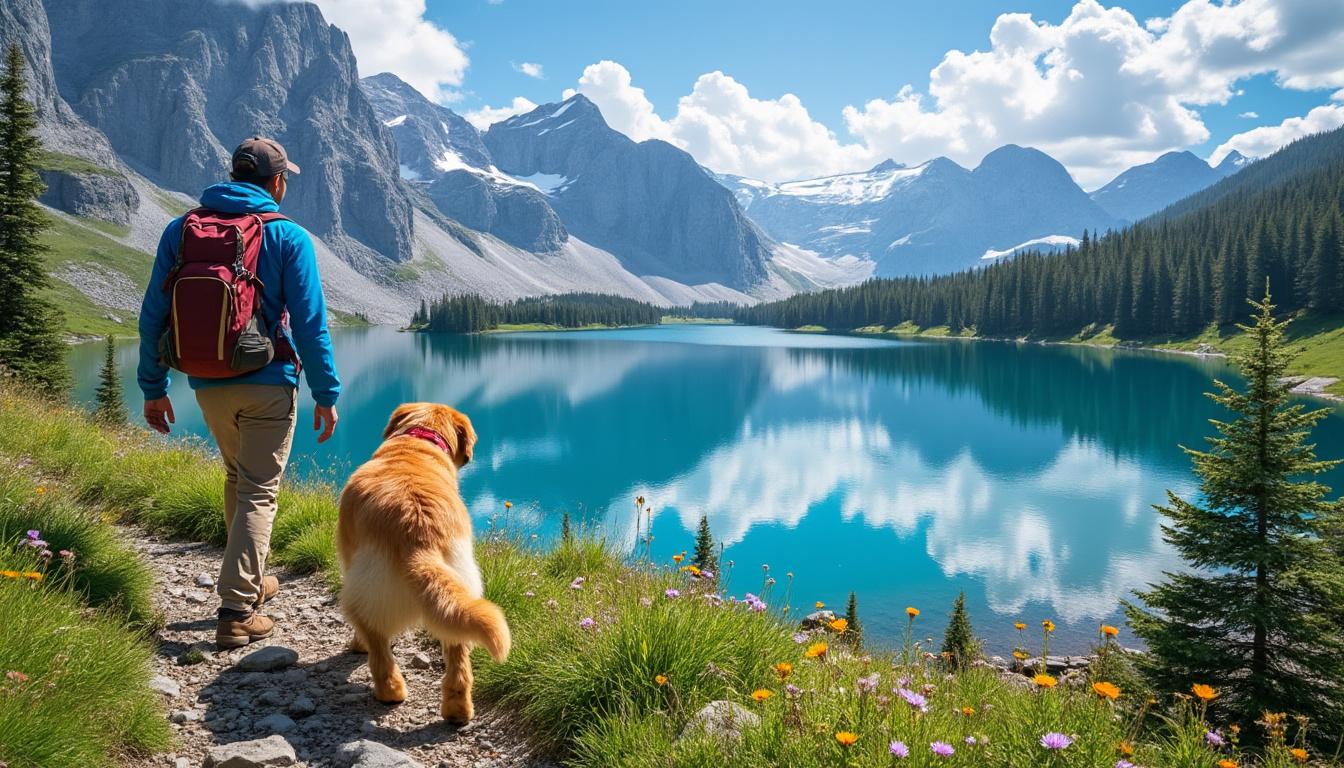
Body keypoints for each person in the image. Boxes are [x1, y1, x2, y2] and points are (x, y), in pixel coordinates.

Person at [137, 137, 341, 649]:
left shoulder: (181, 229)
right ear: (277, 183)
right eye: (284, 179)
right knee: (259, 490)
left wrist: (153, 387)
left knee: (238, 477)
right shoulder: (287, 235)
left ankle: (250, 579)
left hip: (207, 383)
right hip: (268, 383)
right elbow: (311, 324)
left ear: (234, 175)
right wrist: (326, 392)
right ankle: (236, 611)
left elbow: (153, 314)